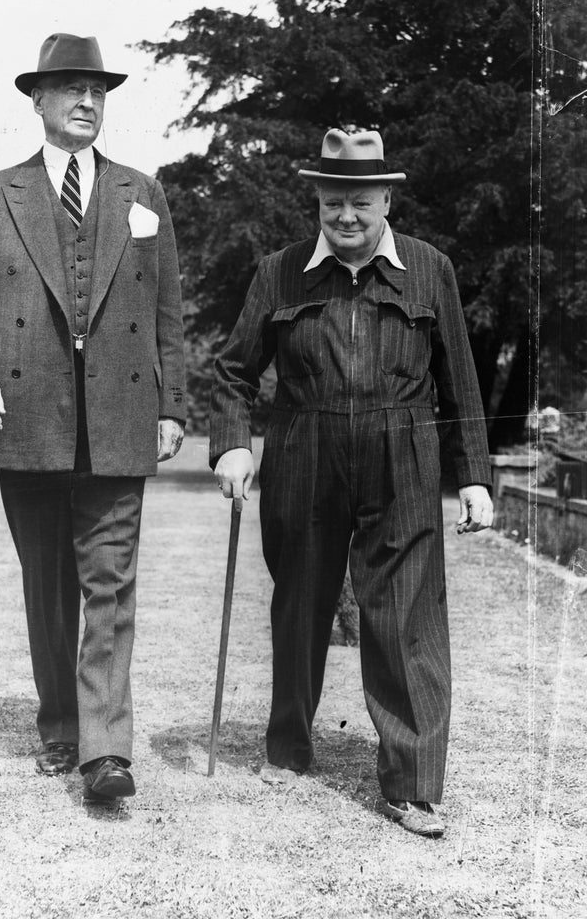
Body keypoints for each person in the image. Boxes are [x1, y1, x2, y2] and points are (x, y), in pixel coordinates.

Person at [209, 128, 493, 838]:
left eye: (360, 202)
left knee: (406, 618)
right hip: (303, 449)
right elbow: (232, 373)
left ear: (386, 198)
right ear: (317, 199)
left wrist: (477, 478)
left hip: (405, 458)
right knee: (298, 604)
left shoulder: (430, 270)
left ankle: (413, 785)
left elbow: (460, 380)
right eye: (333, 201)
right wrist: (232, 449)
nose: (345, 216)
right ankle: (287, 746)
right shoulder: (279, 273)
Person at [0, 33, 186, 802]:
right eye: (72, 89)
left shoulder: (142, 194)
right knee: (48, 590)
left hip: (119, 417)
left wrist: (173, 404)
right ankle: (60, 729)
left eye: (98, 91)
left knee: (110, 586)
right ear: (39, 100)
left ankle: (106, 754)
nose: (88, 102)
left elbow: (170, 311)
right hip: (27, 420)